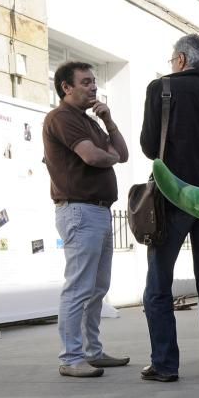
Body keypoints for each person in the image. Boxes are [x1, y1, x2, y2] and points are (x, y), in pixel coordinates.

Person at [139, 34, 199, 383]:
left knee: (158, 284)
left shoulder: (161, 88)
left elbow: (150, 146)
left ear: (180, 60)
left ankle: (164, 364)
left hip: (172, 197)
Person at [43, 62, 130, 377]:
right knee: (79, 287)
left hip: (99, 211)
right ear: (67, 87)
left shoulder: (89, 121)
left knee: (97, 287)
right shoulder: (62, 118)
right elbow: (93, 157)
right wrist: (110, 157)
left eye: (94, 81)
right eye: (86, 82)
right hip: (79, 210)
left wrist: (108, 121)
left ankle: (92, 351)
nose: (94, 87)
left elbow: (122, 152)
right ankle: (71, 357)